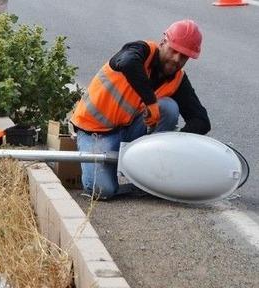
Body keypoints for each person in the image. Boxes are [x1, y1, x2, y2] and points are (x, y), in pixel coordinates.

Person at [70, 20, 210, 199]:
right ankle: (114, 170)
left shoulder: (178, 79)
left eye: (183, 56)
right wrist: (150, 101)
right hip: (94, 132)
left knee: (169, 108)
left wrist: (175, 147)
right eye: (174, 50)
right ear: (163, 42)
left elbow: (201, 121)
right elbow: (128, 63)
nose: (177, 59)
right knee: (102, 190)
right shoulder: (140, 51)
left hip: (130, 133)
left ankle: (150, 175)